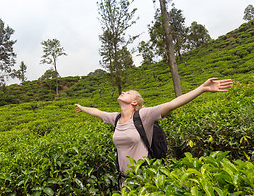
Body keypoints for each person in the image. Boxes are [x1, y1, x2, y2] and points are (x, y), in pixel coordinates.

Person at [74, 77, 233, 188]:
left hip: (143, 178)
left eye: (129, 92)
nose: (124, 92)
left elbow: (173, 103)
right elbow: (97, 112)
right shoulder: (115, 118)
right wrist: (82, 108)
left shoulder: (144, 116)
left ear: (134, 102)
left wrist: (202, 88)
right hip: (123, 180)